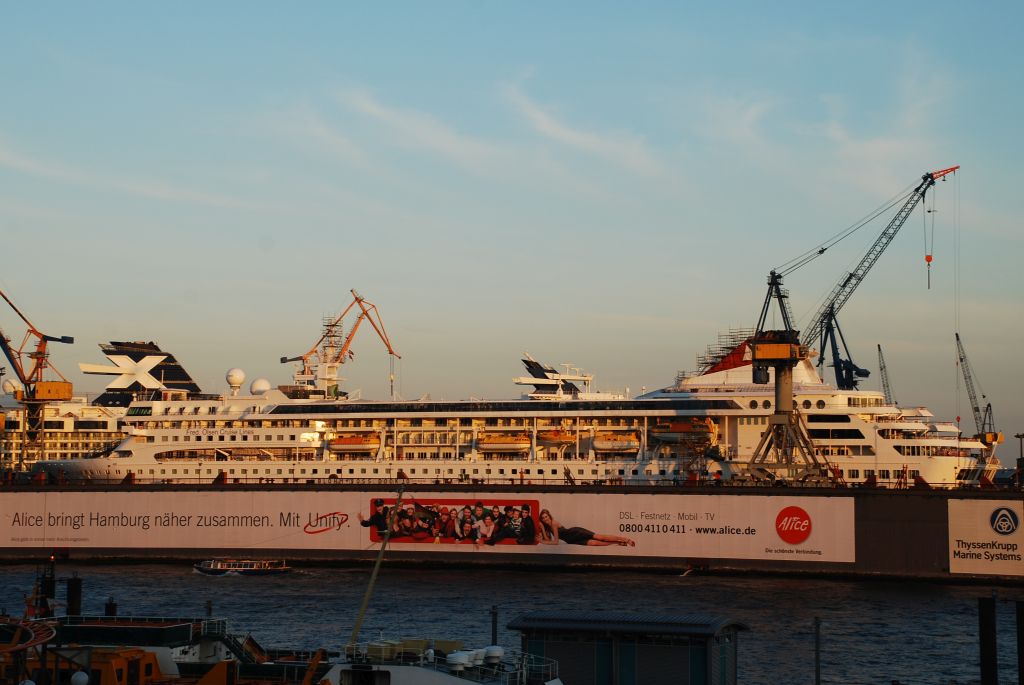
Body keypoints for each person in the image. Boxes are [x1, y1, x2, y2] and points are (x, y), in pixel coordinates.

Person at [535, 508, 634, 546]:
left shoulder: (553, 523)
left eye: (546, 517)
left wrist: (542, 541)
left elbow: (555, 542)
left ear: (549, 516)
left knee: (600, 537)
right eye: (543, 518)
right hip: (572, 540)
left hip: (576, 532)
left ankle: (626, 539)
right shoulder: (548, 527)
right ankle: (618, 542)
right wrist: (543, 529)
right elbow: (548, 539)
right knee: (594, 543)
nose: (545, 519)